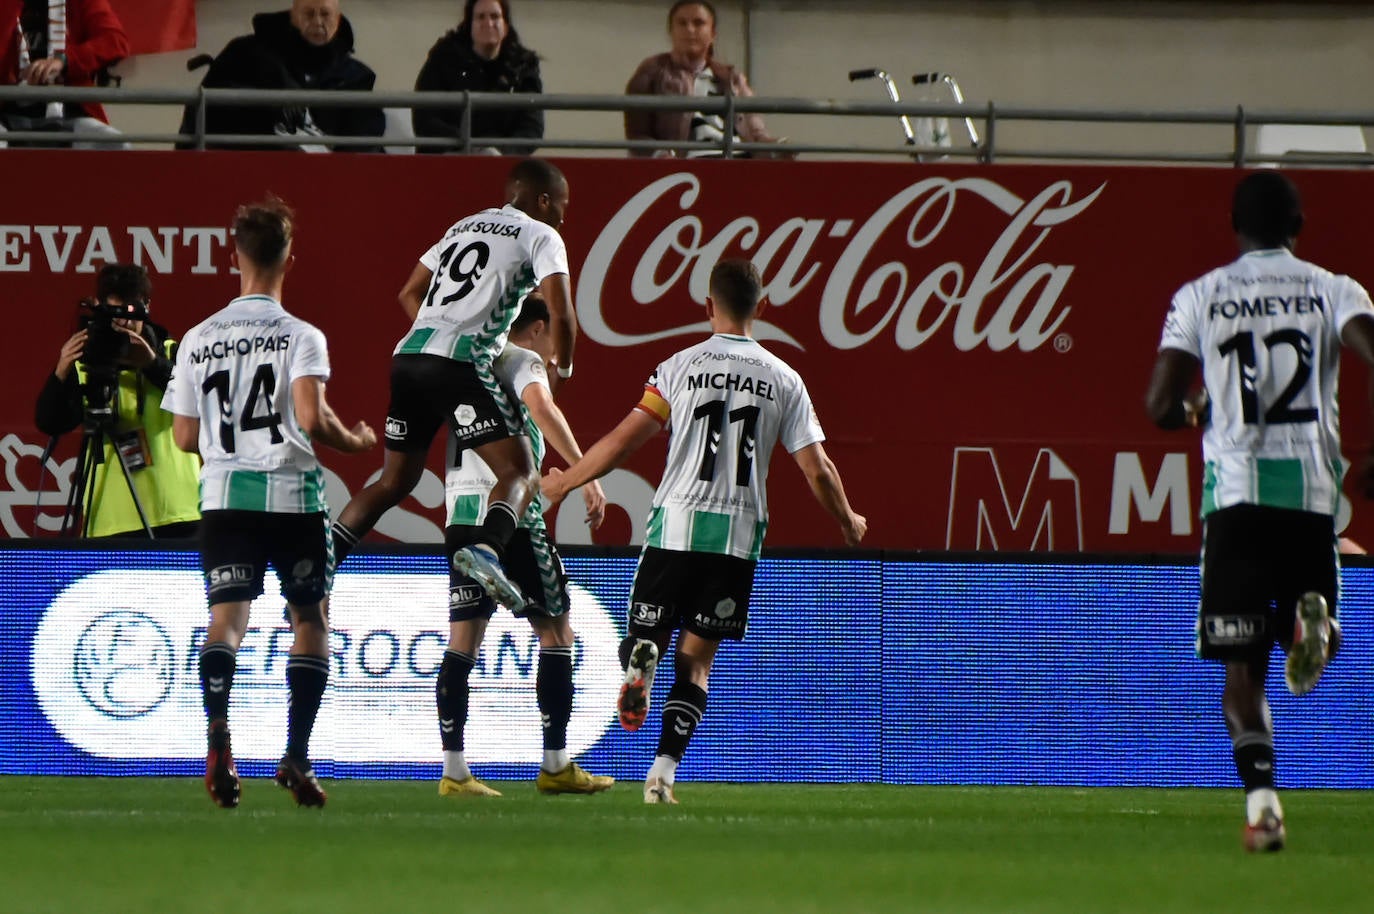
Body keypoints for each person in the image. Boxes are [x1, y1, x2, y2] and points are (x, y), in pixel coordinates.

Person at [542, 259, 866, 804]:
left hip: (674, 525)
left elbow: (625, 440)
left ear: (706, 307)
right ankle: (661, 775)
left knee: (648, 639)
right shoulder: (785, 379)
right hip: (736, 539)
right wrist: (847, 518)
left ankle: (641, 658)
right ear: (761, 309)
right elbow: (818, 470)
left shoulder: (678, 367)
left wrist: (567, 482)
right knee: (695, 662)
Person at [1145, 171, 1374, 852]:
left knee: (1240, 675)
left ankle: (1265, 807)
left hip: (1236, 497)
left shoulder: (1201, 296)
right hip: (1308, 495)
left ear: (1233, 224)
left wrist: (1191, 408)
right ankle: (1311, 632)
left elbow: (1159, 405)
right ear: (1299, 223)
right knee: (1321, 631)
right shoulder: (1334, 289)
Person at [162, 197, 377, 809]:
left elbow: (182, 437)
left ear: (235, 256)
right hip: (293, 497)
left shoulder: (198, 338)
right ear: (289, 258)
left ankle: (218, 730)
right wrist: (355, 440)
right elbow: (311, 419)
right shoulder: (301, 336)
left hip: (225, 498)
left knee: (227, 620)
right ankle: (296, 755)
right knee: (310, 619)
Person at [330, 157, 576, 614]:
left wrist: (435, 334)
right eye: (561, 207)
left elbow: (408, 292)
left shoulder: (464, 226)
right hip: (459, 363)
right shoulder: (541, 234)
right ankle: (488, 550)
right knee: (520, 472)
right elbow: (561, 312)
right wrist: (565, 366)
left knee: (393, 481)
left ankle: (323, 561)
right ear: (543, 200)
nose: (563, 217)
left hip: (409, 356)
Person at [438, 292, 612, 797]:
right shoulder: (521, 359)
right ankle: (556, 764)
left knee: (461, 643)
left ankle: (454, 772)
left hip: (459, 516)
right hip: (508, 516)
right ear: (535, 328)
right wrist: (585, 474)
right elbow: (543, 407)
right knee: (557, 633)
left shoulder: (464, 366)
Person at [35, 264, 201, 538]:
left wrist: (151, 363)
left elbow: (203, 404)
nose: (124, 323)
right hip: (112, 518)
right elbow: (49, 421)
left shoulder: (176, 353)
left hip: (179, 511)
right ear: (99, 307)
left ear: (146, 305)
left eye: (131, 313)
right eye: (115, 313)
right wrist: (61, 371)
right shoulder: (85, 362)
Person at [177, 0, 384, 152]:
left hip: (326, 181)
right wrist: (270, 103)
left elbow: (366, 139)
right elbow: (206, 112)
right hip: (249, 168)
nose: (318, 22)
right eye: (309, 14)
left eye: (325, 14)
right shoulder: (245, 52)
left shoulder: (356, 76)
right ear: (293, 18)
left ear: (338, 20)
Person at [623, 1, 790, 159]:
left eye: (698, 23)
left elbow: (756, 130)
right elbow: (637, 133)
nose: (690, 29)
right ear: (671, 31)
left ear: (713, 33)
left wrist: (773, 146)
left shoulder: (731, 78)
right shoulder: (653, 70)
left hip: (737, 159)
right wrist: (661, 155)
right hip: (689, 165)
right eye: (682, 23)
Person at [412, 0, 543, 156]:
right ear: (470, 26)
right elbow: (425, 118)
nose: (488, 23)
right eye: (480, 17)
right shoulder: (443, 59)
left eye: (495, 16)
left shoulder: (523, 66)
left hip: (502, 162)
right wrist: (466, 146)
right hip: (449, 157)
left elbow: (531, 126)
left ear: (506, 26)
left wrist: (501, 152)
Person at [0, 0, 128, 147]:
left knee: (118, 147)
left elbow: (115, 41)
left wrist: (64, 61)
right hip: (8, 112)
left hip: (71, 111)